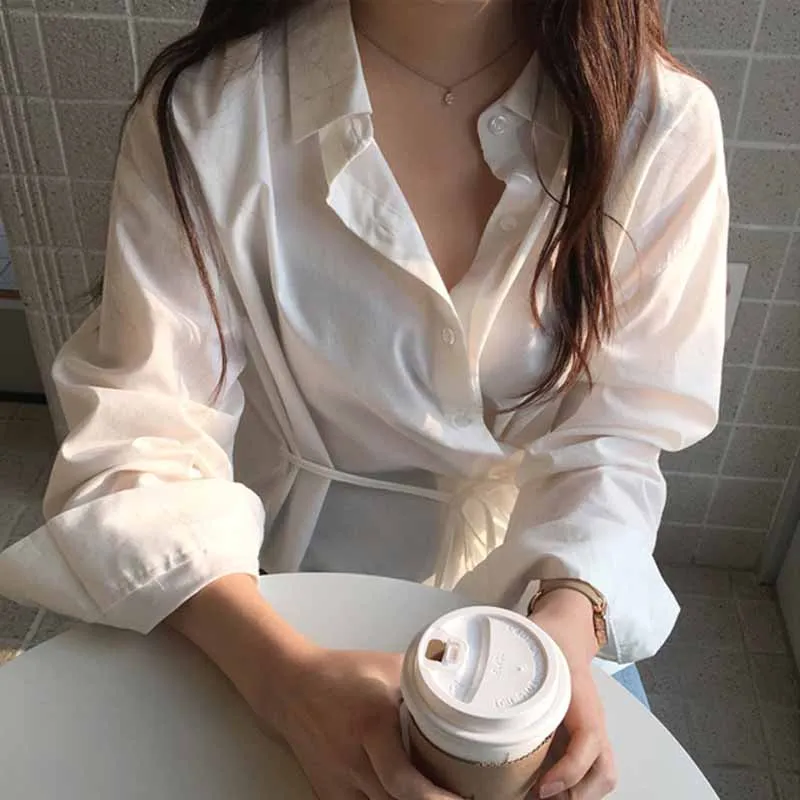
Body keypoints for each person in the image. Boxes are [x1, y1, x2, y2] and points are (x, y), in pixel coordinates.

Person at [0, 0, 728, 797]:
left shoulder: (659, 125)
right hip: (261, 596)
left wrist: (566, 624)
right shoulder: (214, 110)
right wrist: (286, 682)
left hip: (535, 602)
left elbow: (617, 432)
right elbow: (142, 439)